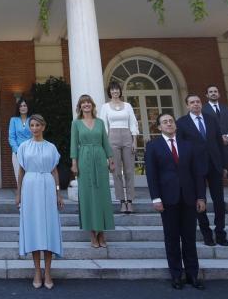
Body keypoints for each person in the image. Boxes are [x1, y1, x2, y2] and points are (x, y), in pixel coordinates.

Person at [145, 113, 206, 290]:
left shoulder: (188, 146)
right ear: (159, 127)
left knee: (189, 238)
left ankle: (192, 275)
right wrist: (156, 198)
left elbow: (197, 173)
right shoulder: (153, 146)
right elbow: (152, 175)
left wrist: (201, 196)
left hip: (189, 198)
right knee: (171, 239)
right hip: (167, 199)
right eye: (165, 122)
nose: (169, 124)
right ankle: (176, 275)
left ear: (175, 125)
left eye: (171, 121)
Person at [15, 114, 64, 290]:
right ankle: (37, 271)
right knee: (34, 228)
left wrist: (58, 194)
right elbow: (21, 172)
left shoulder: (51, 147)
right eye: (32, 125)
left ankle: (48, 272)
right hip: (29, 188)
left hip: (48, 187)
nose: (34, 128)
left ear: (43, 127)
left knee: (48, 228)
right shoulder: (23, 147)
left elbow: (55, 171)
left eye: (37, 125)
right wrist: (18, 194)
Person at [176, 94, 228, 246]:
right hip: (194, 169)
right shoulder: (182, 123)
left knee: (219, 201)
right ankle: (207, 234)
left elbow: (219, 144)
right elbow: (180, 148)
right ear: (187, 105)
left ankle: (220, 234)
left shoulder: (211, 119)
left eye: (198, 102)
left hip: (214, 166)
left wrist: (223, 165)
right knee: (200, 202)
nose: (196, 104)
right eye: (192, 102)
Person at [70, 94, 115, 248]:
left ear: (92, 105)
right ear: (80, 106)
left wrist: (110, 158)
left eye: (89, 102)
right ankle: (92, 234)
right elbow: (73, 144)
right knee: (87, 195)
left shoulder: (100, 122)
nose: (86, 105)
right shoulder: (76, 124)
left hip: (100, 159)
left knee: (102, 195)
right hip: (84, 159)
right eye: (83, 103)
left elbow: (105, 141)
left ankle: (102, 232)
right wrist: (74, 163)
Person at [99, 82, 139, 214]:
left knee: (129, 171)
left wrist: (134, 142)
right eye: (112, 89)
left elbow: (133, 122)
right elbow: (103, 126)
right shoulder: (105, 107)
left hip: (127, 136)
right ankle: (122, 201)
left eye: (117, 89)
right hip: (112, 138)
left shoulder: (127, 106)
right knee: (116, 172)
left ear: (120, 91)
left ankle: (130, 201)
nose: (115, 91)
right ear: (109, 92)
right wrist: (105, 145)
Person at [203, 84, 228, 214]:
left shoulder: (226, 109)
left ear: (218, 94)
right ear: (207, 95)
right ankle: (220, 206)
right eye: (211, 92)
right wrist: (219, 138)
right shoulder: (203, 110)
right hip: (214, 149)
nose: (213, 93)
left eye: (215, 91)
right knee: (216, 178)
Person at [8, 97, 32, 181]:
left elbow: (35, 135)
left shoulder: (32, 119)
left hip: (31, 151)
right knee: (19, 177)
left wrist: (32, 149)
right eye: (21, 106)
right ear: (18, 108)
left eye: (24, 105)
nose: (23, 108)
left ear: (28, 107)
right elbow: (11, 137)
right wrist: (17, 151)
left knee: (30, 176)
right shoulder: (13, 120)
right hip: (17, 152)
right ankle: (20, 194)